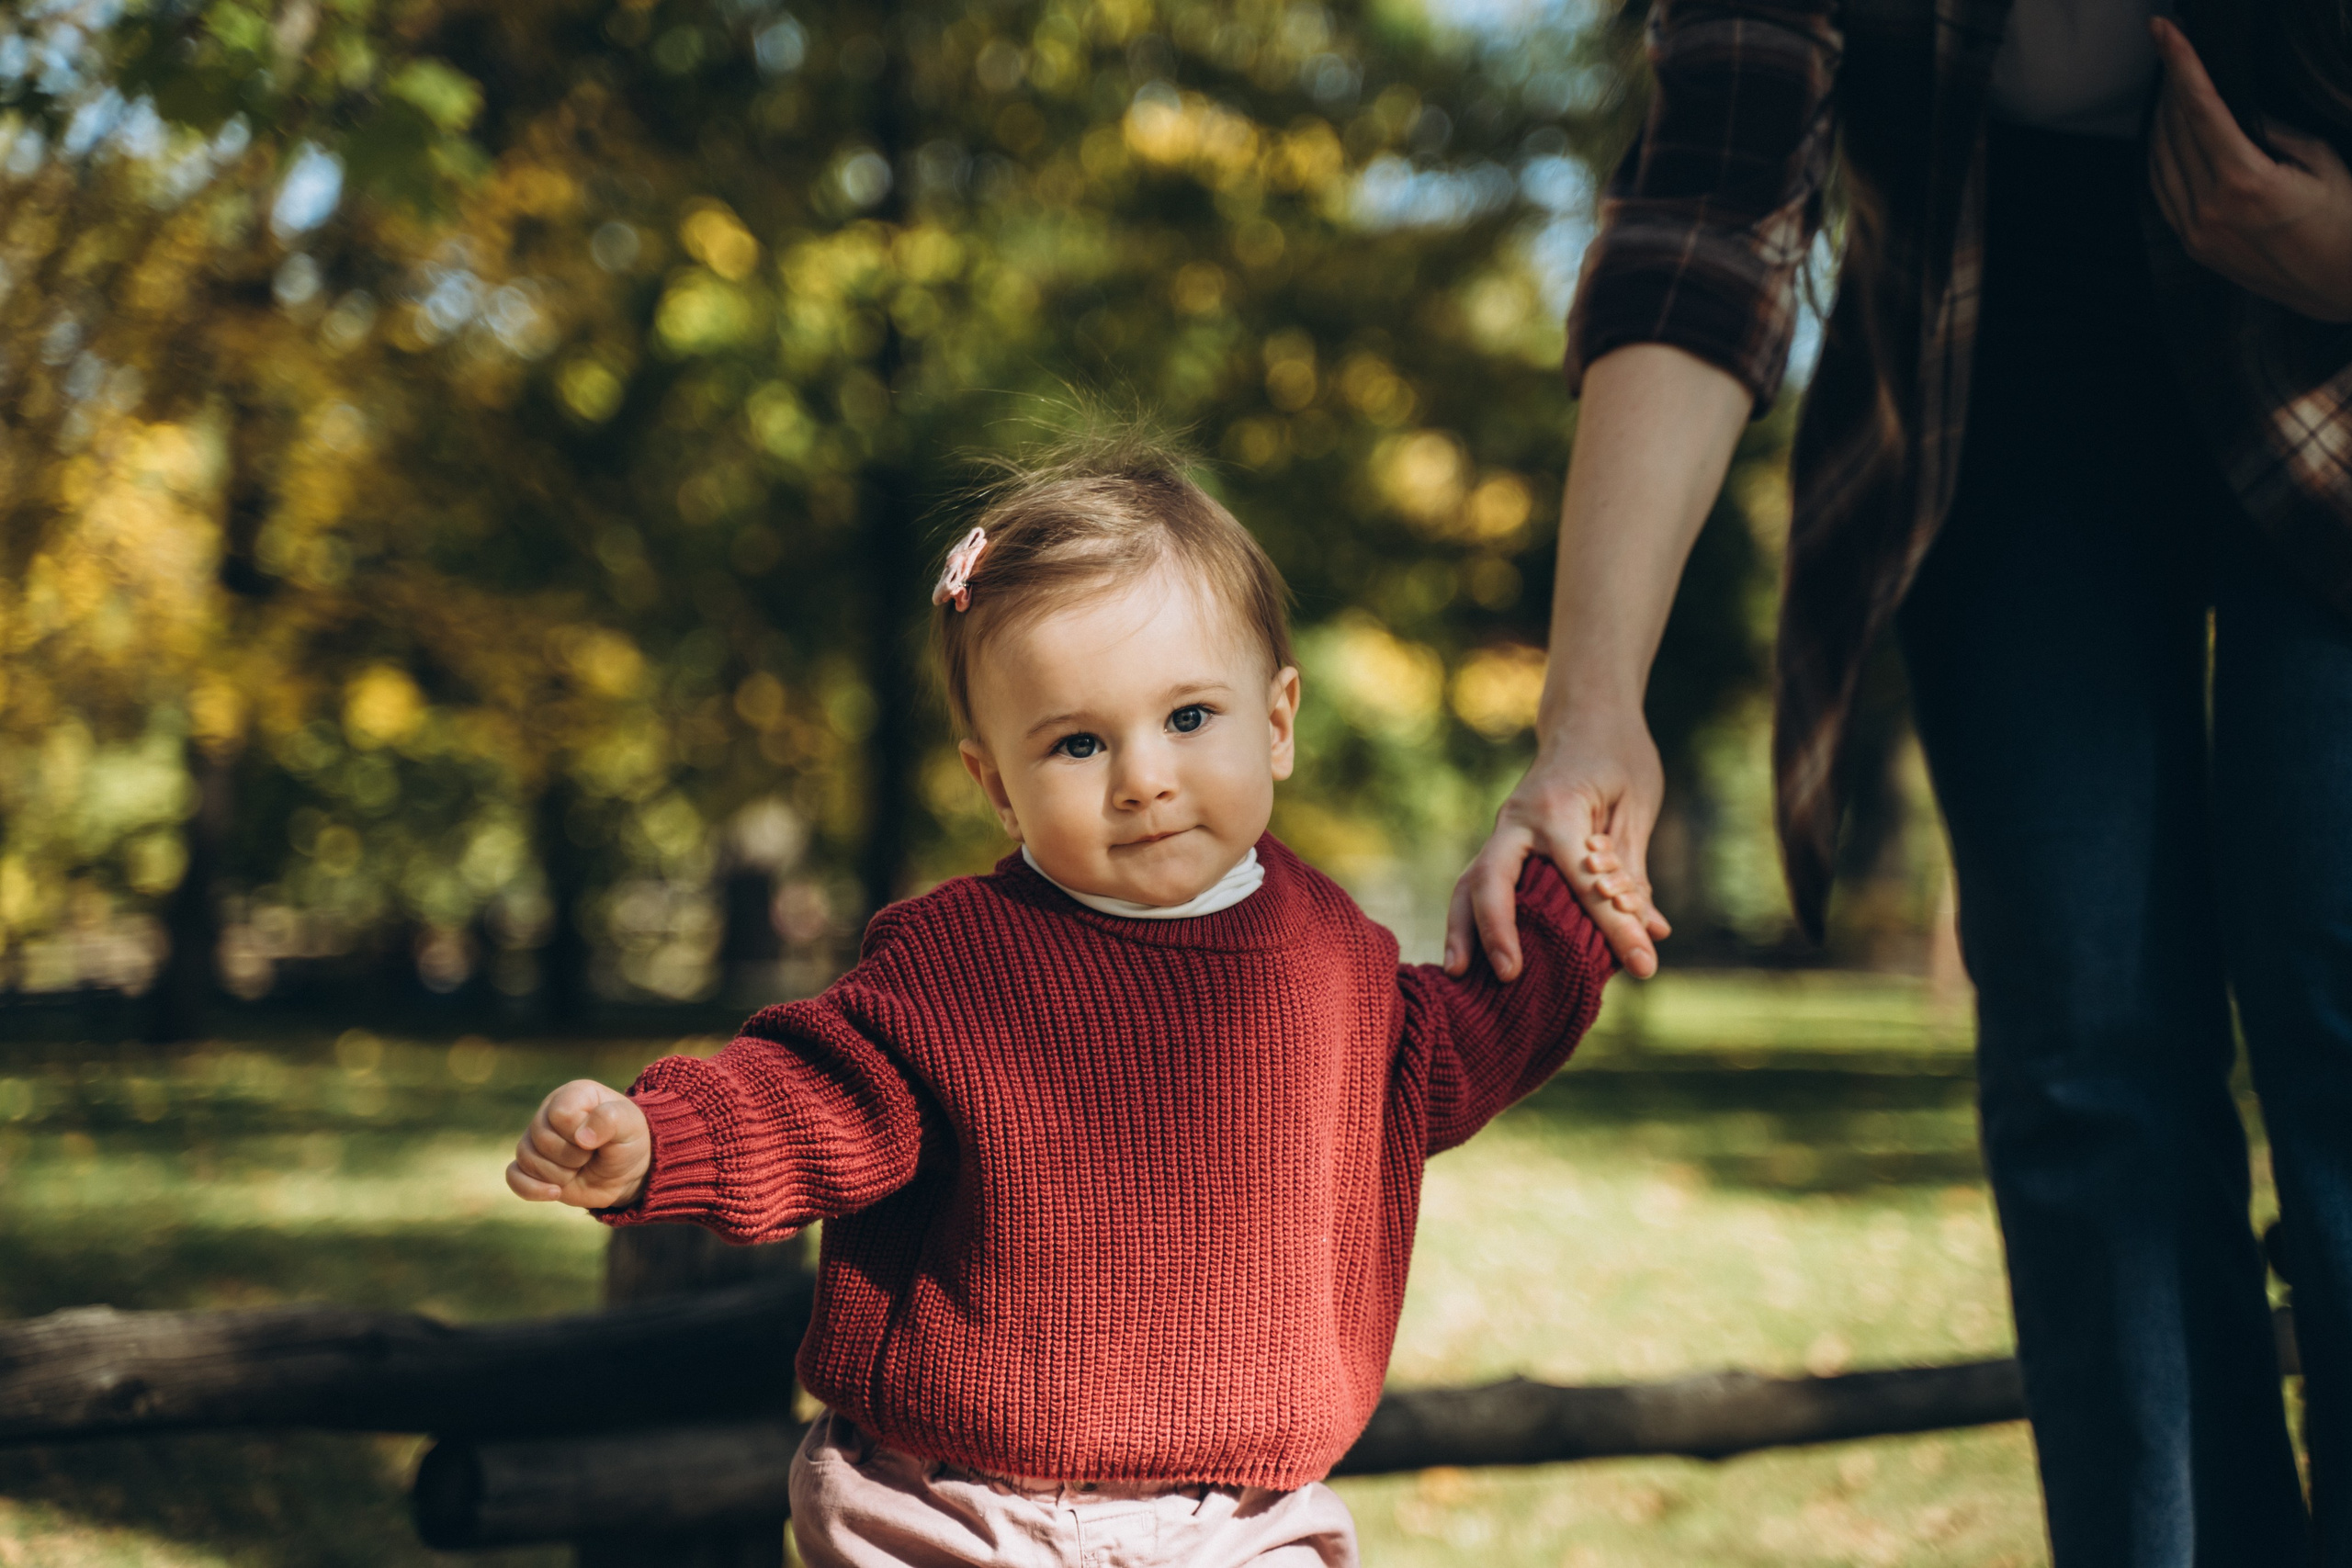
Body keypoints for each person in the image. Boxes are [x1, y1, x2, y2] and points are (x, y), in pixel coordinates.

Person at [1446, 1, 2352, 1562]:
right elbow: (1709, 206)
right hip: (1987, 343)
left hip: (2328, 308)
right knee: (2086, 1056)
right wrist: (1592, 711)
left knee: (2337, 974)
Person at [506, 441, 1616, 1568]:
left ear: (1276, 721)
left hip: (1238, 1522)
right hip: (955, 1503)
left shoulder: (1331, 959)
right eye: (1079, 742)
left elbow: (1485, 1027)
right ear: (995, 783)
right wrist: (660, 1137)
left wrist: (1575, 879)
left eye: (1190, 717)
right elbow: (809, 1097)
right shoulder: (959, 962)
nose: (1143, 775)